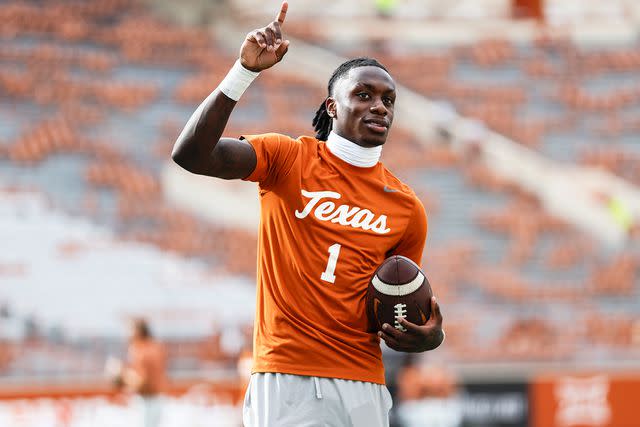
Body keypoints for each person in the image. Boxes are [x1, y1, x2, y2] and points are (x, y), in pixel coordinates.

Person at [171, 2, 444, 426]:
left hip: (363, 381)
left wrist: (428, 337)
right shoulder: (286, 157)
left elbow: (396, 306)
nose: (379, 107)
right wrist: (243, 72)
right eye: (364, 95)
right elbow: (191, 154)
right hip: (286, 375)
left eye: (388, 100)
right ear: (332, 107)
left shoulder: (407, 207)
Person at [106, 318, 168, 427]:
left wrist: (121, 374)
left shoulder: (142, 351)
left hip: (147, 403)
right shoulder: (155, 347)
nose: (127, 335)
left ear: (138, 332)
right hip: (155, 401)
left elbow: (143, 382)